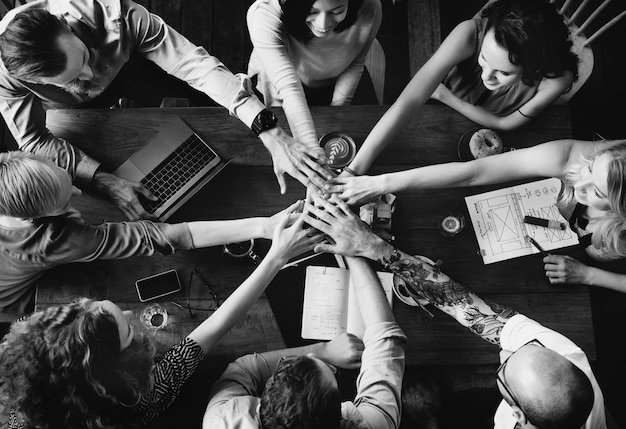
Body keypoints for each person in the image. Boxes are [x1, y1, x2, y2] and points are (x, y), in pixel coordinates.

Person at [0, 0, 331, 220]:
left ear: (66, 25)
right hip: (76, 113)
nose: (90, 77)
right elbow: (33, 140)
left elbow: (193, 65)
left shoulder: (120, 14)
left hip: (132, 65)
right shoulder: (5, 74)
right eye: (71, 78)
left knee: (195, 91)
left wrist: (268, 128)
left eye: (85, 58)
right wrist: (104, 181)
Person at [0, 205, 322, 429]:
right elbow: (214, 327)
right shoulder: (138, 401)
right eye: (127, 332)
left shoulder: (37, 342)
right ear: (123, 377)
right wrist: (276, 258)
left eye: (104, 306)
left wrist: (267, 229)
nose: (130, 313)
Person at [304, 196, 607, 429]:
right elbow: (466, 305)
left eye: (505, 368)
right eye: (524, 349)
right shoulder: (565, 355)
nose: (505, 351)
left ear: (515, 413)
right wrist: (374, 247)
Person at [0, 151, 303, 314]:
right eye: (68, 199)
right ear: (39, 218)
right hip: (14, 300)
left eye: (67, 179)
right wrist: (264, 226)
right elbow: (169, 237)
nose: (79, 191)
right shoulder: (59, 241)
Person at [327, 139, 626, 293]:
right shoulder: (586, 158)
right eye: (589, 168)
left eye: (597, 192)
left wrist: (589, 275)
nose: (578, 185)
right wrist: (380, 183)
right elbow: (474, 173)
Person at [342, 0, 578, 177]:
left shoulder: (556, 80)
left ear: (535, 69)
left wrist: (446, 96)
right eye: (484, 59)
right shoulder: (468, 33)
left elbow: (505, 125)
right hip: (440, 119)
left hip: (490, 136)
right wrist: (354, 169)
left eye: (504, 73)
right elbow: (408, 101)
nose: (487, 76)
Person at [203, 255, 406, 429]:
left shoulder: (222, 421)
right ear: (341, 416)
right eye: (331, 371)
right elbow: (386, 339)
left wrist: (324, 351)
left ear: (264, 399)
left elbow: (242, 371)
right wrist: (353, 252)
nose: (310, 356)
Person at [246, 0, 381, 148]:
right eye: (312, 11)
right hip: (276, 88)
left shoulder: (370, 7)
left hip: (335, 83)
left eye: (336, 11)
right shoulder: (264, 14)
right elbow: (289, 88)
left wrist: (337, 110)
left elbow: (355, 62)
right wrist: (311, 150)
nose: (323, 25)